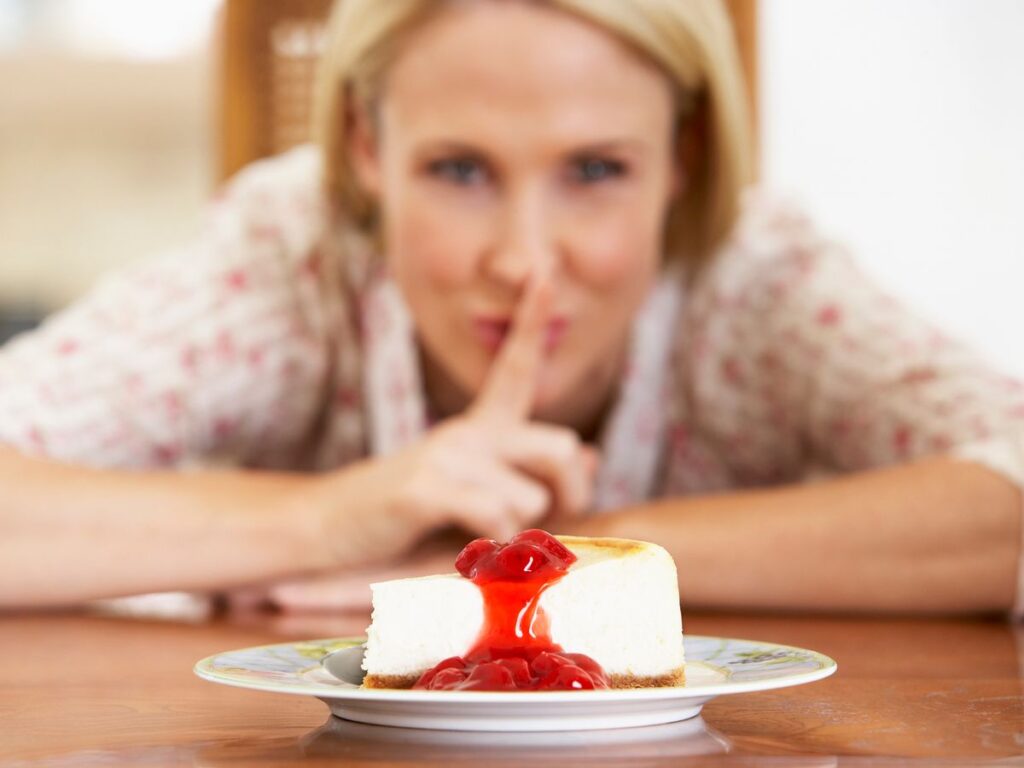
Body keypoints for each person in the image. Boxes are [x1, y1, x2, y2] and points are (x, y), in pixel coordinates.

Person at [0, 0, 1020, 618]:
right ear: (364, 146)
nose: (525, 260)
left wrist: (569, 552)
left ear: (686, 154)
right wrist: (335, 516)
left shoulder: (754, 280)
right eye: (458, 169)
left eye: (595, 169)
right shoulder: (292, 261)